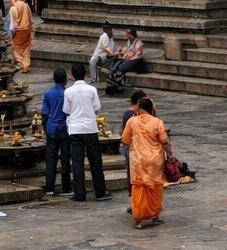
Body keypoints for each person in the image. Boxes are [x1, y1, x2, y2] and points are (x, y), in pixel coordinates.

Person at [64, 61, 111, 202]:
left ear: (72, 76)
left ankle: (79, 193)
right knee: (95, 160)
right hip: (90, 128)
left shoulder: (68, 91)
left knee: (77, 162)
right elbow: (96, 107)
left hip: (75, 129)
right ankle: (100, 191)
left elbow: (66, 110)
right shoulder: (91, 90)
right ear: (85, 75)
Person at [121, 96, 170, 229]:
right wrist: (170, 155)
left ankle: (138, 221)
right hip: (155, 160)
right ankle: (155, 217)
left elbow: (125, 140)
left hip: (138, 161)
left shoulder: (132, 121)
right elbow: (164, 141)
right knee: (155, 187)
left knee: (139, 188)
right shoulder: (157, 122)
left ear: (139, 108)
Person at [41, 66, 72, 196]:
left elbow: (44, 113)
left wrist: (45, 126)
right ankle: (66, 187)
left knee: (51, 158)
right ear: (65, 80)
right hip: (65, 128)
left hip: (52, 128)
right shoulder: (68, 93)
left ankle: (49, 187)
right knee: (65, 158)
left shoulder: (48, 93)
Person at [8, 0, 33, 72]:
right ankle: (26, 65)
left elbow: (13, 24)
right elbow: (30, 18)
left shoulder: (13, 8)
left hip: (18, 30)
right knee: (26, 48)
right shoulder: (26, 5)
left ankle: (22, 64)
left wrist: (11, 33)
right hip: (27, 29)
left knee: (17, 48)